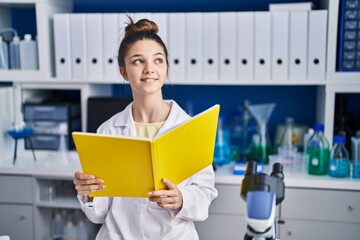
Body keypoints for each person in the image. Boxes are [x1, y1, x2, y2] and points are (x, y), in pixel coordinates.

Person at [73, 17, 218, 240]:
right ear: (123, 71)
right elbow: (98, 216)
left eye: (158, 60)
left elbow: (205, 194)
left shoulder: (190, 128)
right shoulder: (108, 131)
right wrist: (90, 193)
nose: (149, 69)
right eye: (138, 61)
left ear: (167, 67)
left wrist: (182, 199)